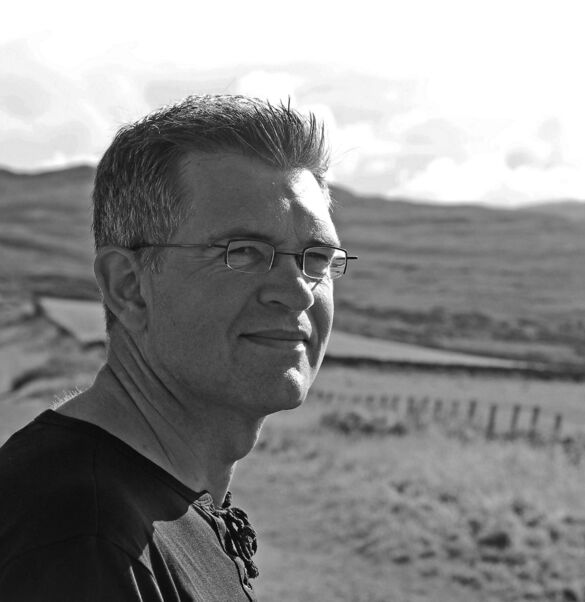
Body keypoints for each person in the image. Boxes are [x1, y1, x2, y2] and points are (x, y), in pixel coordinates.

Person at [0, 94, 356, 600]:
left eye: (316, 257)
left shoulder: (152, 503)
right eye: (244, 252)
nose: (298, 291)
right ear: (129, 286)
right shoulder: (83, 542)